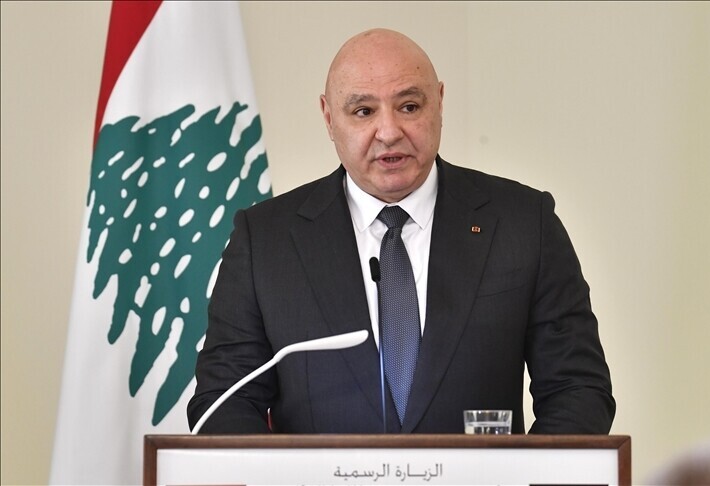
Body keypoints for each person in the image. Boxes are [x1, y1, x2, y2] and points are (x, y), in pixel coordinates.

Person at [188, 28, 614, 434]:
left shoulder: (523, 223)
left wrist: (531, 475)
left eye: (409, 107)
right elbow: (223, 402)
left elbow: (577, 390)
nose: (390, 132)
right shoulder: (266, 241)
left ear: (439, 103)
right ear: (329, 117)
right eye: (363, 111)